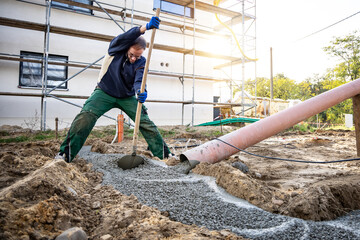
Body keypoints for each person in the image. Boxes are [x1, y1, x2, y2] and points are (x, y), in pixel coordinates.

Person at [55, 16, 172, 162]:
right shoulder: (115, 49)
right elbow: (125, 37)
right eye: (132, 54)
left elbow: (140, 80)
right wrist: (144, 28)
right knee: (85, 117)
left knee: (145, 122)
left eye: (138, 55)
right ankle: (65, 155)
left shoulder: (141, 61)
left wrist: (141, 91)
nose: (134, 58)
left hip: (127, 96)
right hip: (104, 92)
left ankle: (166, 157)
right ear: (127, 47)